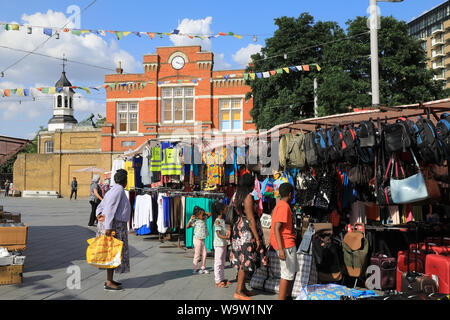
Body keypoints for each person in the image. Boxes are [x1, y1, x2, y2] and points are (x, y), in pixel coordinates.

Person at [229, 173, 268, 301]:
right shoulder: (248, 197)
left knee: (243, 259)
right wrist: (257, 238)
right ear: (250, 185)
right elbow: (251, 218)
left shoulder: (236, 195)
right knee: (245, 261)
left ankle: (243, 288)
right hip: (247, 231)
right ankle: (239, 291)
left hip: (239, 228)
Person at [96, 169, 131, 291]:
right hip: (115, 227)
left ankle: (109, 279)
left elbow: (101, 206)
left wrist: (98, 214)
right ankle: (109, 281)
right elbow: (110, 209)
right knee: (112, 253)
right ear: (124, 181)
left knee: (112, 253)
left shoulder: (112, 190)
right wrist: (108, 227)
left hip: (113, 225)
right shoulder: (119, 190)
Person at [270, 183, 297, 300]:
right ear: (290, 194)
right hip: (286, 245)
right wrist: (281, 249)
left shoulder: (280, 205)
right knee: (286, 275)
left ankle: (288, 296)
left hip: (286, 244)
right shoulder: (284, 206)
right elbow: (276, 227)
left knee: (292, 272)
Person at [187, 206, 211, 274]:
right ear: (197, 215)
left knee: (204, 253)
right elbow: (187, 226)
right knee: (197, 254)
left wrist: (203, 213)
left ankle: (202, 268)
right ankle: (195, 268)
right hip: (197, 240)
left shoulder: (205, 218)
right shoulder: (195, 221)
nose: (203, 215)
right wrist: (191, 219)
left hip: (202, 239)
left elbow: (210, 214)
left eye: (204, 214)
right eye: (202, 214)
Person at [213, 201, 231, 288]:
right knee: (218, 262)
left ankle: (222, 278)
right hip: (219, 244)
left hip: (223, 244)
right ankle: (217, 280)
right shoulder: (217, 221)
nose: (226, 209)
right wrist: (226, 238)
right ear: (221, 211)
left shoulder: (222, 220)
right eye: (225, 208)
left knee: (222, 262)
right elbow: (218, 234)